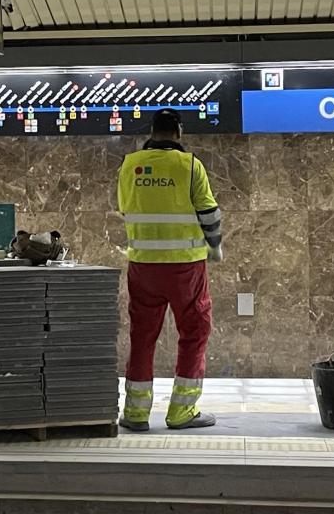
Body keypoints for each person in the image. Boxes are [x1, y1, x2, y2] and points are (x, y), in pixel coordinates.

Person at [117, 108, 222, 431]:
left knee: (142, 335)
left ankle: (135, 414)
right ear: (179, 132)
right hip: (184, 266)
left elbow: (125, 208)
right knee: (194, 332)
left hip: (142, 266)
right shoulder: (189, 165)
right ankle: (181, 412)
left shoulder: (129, 165)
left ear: (152, 131)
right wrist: (215, 245)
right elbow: (209, 212)